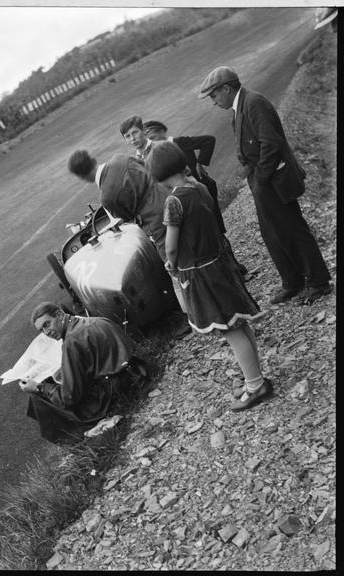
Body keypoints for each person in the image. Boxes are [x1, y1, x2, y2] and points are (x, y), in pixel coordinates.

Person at [145, 141, 273, 412]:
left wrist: (171, 263)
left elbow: (170, 245)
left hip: (201, 272)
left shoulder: (174, 201)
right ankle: (256, 377)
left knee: (229, 328)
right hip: (218, 261)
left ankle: (255, 386)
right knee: (239, 323)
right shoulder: (199, 187)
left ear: (158, 173)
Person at [198, 66, 331, 305]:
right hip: (264, 180)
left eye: (214, 95)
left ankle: (318, 281)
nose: (213, 101)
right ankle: (293, 281)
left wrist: (261, 178)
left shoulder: (254, 103)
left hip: (273, 180)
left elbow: (271, 143)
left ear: (226, 89)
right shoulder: (240, 107)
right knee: (273, 233)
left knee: (293, 230)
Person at [67, 149, 191, 338]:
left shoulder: (107, 197)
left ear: (81, 177)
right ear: (93, 159)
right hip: (172, 196)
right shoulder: (120, 159)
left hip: (157, 222)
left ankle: (191, 317)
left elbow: (127, 221)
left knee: (175, 271)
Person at [19, 302, 147, 441]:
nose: (46, 332)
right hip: (135, 369)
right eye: (41, 330)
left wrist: (39, 388)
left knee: (37, 396)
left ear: (59, 314)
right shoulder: (92, 319)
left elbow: (68, 397)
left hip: (115, 389)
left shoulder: (71, 342)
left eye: (47, 324)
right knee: (56, 382)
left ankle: (74, 440)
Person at [142, 119, 248, 276]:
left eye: (154, 135)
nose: (153, 140)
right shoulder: (158, 154)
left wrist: (200, 163)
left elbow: (208, 140)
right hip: (191, 193)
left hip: (197, 190)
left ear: (162, 133)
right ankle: (228, 269)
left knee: (216, 231)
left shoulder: (177, 143)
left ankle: (234, 268)